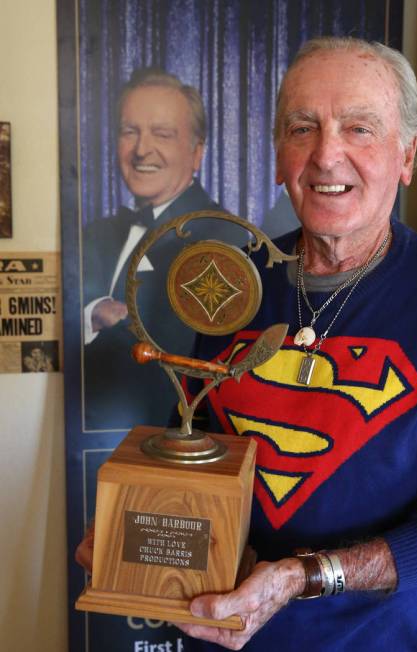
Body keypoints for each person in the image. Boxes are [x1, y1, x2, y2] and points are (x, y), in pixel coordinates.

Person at [77, 36, 417, 650]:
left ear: (406, 155)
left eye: (359, 128)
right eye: (302, 127)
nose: (326, 155)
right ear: (280, 155)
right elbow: (210, 465)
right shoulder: (229, 285)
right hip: (229, 634)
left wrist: (298, 577)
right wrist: (140, 527)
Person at [82, 68, 244, 430]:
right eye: (130, 132)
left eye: (162, 134)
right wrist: (92, 312)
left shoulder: (226, 240)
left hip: (173, 445)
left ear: (197, 152)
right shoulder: (93, 235)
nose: (142, 150)